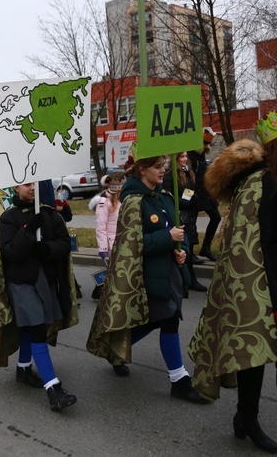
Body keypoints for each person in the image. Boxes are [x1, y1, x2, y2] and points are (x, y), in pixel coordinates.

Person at [188, 104, 277, 456]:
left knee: (255, 356)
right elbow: (254, 249)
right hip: (264, 293)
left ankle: (245, 419)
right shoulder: (261, 185)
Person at [86, 147, 208, 404]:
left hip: (169, 272)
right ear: (142, 170)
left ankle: (116, 349)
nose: (163, 169)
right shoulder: (133, 202)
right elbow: (131, 245)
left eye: (163, 164)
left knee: (156, 320)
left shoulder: (164, 197)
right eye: (157, 166)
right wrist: (167, 238)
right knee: (168, 319)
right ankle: (179, 380)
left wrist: (182, 252)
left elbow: (179, 232)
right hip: (147, 275)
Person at [0, 182, 79, 411]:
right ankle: (53, 389)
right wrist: (27, 230)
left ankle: (23, 368)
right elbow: (10, 252)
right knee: (35, 328)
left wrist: (47, 248)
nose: (32, 188)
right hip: (22, 282)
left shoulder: (50, 214)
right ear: (15, 188)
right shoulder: (8, 218)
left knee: (35, 326)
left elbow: (64, 244)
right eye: (26, 184)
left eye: (35, 183)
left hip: (46, 279)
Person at [163, 152, 208, 294]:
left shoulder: (187, 172)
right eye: (181, 157)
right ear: (175, 159)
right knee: (183, 250)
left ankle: (188, 280)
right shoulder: (170, 175)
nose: (185, 159)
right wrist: (185, 200)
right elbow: (170, 196)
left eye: (185, 156)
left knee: (189, 249)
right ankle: (187, 280)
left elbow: (190, 190)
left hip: (190, 215)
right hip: (181, 216)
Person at [89, 172, 125, 300]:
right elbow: (101, 227)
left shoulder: (121, 200)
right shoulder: (104, 202)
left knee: (116, 270)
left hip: (120, 240)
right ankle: (100, 291)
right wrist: (103, 249)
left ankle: (108, 291)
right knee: (112, 271)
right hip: (111, 243)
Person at [188, 127, 221, 261]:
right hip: (194, 192)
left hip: (205, 191)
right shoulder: (191, 154)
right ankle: (190, 252)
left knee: (216, 217)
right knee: (192, 222)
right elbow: (189, 177)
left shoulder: (201, 153)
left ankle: (205, 248)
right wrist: (188, 196)